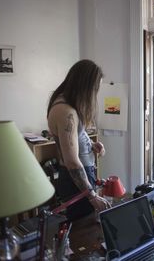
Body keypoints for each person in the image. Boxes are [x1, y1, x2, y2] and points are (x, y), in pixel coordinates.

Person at [47, 59, 111, 221]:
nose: (95, 93)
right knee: (83, 231)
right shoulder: (65, 111)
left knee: (89, 224)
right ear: (84, 85)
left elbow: (75, 135)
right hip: (75, 182)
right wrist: (92, 196)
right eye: (95, 88)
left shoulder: (69, 105)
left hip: (82, 177)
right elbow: (72, 162)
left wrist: (90, 144)